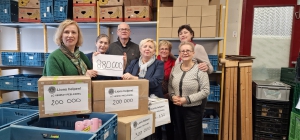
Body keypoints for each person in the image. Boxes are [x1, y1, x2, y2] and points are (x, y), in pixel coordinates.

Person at [122, 38, 164, 140]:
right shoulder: (134, 62)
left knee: (154, 129)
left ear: (154, 51)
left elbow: (155, 82)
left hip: (152, 100)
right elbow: (126, 76)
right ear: (140, 49)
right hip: (135, 100)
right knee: (139, 128)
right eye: (145, 46)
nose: (147, 49)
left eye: (150, 47)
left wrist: (134, 78)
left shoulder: (159, 64)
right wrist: (124, 71)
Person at [168, 41, 210, 140]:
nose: (185, 53)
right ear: (179, 54)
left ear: (193, 53)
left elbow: (205, 90)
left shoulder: (200, 69)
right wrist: (172, 96)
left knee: (193, 136)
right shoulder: (175, 68)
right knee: (179, 135)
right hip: (178, 108)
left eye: (188, 51)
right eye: (182, 51)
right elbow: (170, 85)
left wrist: (186, 99)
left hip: (193, 110)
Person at [157, 40, 176, 140]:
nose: (164, 51)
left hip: (169, 95)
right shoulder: (154, 60)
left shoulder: (174, 62)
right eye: (162, 49)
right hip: (156, 96)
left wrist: (170, 93)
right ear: (158, 50)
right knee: (157, 122)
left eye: (166, 49)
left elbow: (175, 79)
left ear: (169, 51)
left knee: (169, 121)